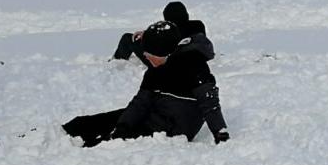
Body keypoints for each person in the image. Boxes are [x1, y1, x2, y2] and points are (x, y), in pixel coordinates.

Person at [64, 20, 230, 146]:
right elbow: (141, 102)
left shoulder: (194, 65)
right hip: (156, 112)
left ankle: (85, 148)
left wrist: (220, 132)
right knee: (104, 121)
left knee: (112, 142)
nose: (146, 56)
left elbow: (210, 103)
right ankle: (66, 131)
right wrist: (123, 125)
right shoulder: (155, 69)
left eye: (149, 54)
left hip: (175, 128)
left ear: (164, 52)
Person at [112, 0, 208, 63]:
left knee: (127, 38)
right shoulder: (198, 25)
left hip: (164, 62)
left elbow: (160, 41)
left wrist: (145, 35)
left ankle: (117, 62)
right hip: (196, 59)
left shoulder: (170, 30)